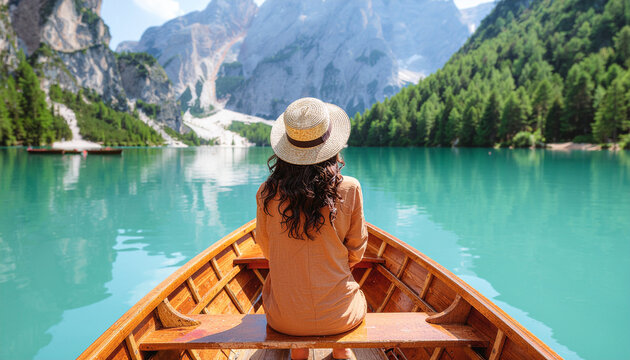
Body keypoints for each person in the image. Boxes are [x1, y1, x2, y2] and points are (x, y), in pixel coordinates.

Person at [255, 97, 368, 360]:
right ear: (331, 146)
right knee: (350, 296)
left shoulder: (266, 193)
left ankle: (299, 352)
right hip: (340, 316)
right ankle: (342, 350)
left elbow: (266, 247)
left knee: (294, 304)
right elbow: (357, 251)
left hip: (284, 318)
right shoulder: (349, 188)